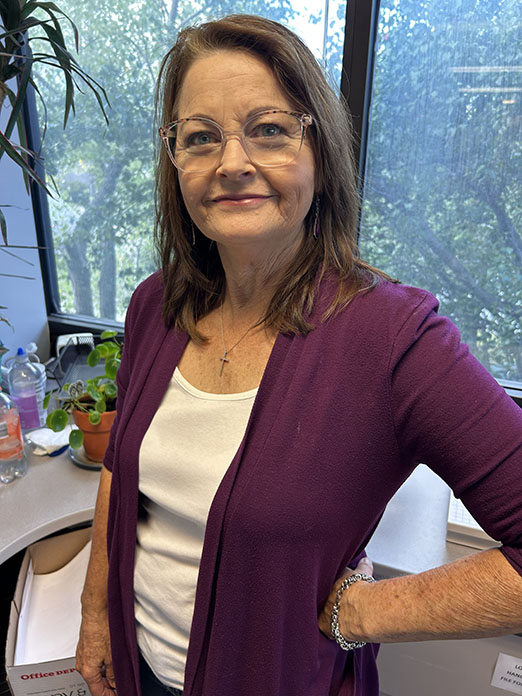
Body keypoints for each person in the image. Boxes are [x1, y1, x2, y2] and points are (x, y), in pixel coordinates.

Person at [75, 13, 522, 696]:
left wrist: (362, 612)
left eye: (270, 129)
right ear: (175, 162)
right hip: (146, 672)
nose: (231, 163)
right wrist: (95, 615)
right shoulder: (156, 306)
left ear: (320, 152)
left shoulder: (395, 339)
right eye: (200, 137)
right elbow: (119, 470)